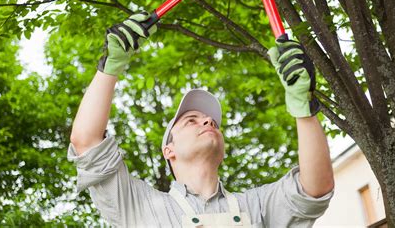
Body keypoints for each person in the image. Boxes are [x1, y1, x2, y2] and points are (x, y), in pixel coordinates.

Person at [68, 12, 334, 227]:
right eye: (191, 120)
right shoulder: (139, 207)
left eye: (212, 123)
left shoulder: (257, 206)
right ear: (168, 150)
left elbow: (315, 188)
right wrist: (110, 66)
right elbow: (86, 142)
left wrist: (304, 107)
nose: (207, 122)